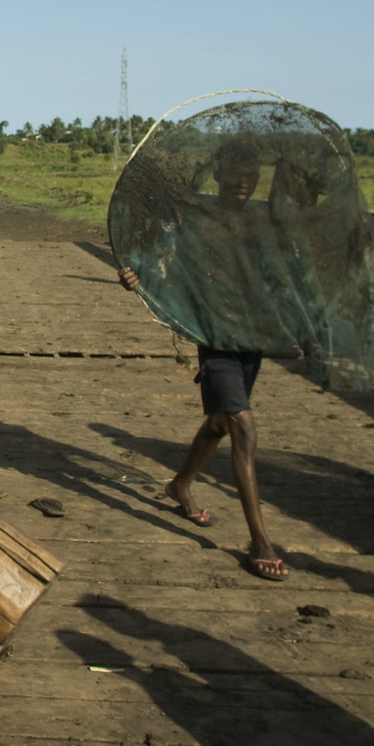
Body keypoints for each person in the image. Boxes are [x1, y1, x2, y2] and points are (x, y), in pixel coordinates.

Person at [116, 143, 288, 581]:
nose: (244, 180)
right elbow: (157, 251)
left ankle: (180, 485)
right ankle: (259, 540)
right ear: (217, 174)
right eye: (235, 170)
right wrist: (137, 274)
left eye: (251, 172)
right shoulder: (196, 219)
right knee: (243, 426)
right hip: (214, 336)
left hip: (251, 336)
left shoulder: (260, 220)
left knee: (219, 422)